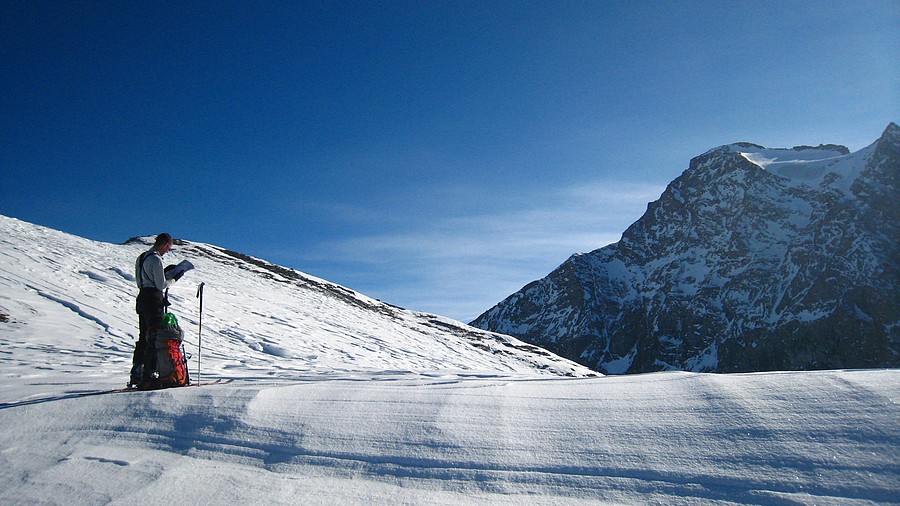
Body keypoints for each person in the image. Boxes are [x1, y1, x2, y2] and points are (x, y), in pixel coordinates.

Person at [128, 233, 175, 387]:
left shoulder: (141, 258)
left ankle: (137, 371)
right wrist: (172, 279)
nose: (168, 251)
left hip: (142, 298)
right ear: (164, 244)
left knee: (143, 335)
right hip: (153, 299)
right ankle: (149, 373)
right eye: (168, 247)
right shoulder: (156, 259)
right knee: (154, 335)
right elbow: (161, 284)